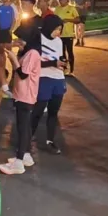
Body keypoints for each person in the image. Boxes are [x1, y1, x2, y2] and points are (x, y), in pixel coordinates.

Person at [0, 27, 42, 175]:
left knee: (23, 128)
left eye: (20, 39)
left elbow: (23, 74)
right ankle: (26, 155)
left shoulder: (32, 54)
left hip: (26, 95)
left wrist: (13, 59)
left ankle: (18, 162)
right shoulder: (28, 52)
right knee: (25, 127)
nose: (18, 42)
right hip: (21, 93)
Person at [30, 15, 67, 154]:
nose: (58, 32)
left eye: (60, 29)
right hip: (43, 77)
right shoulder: (37, 39)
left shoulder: (59, 41)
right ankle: (27, 139)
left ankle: (50, 141)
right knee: (38, 112)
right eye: (57, 29)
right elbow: (33, 62)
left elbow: (58, 58)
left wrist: (62, 62)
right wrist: (52, 63)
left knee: (53, 112)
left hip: (58, 78)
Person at [54, 0, 79, 75]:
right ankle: (64, 68)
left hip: (68, 34)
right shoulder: (57, 9)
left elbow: (77, 20)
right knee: (62, 52)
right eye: (59, 0)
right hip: (59, 35)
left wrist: (68, 20)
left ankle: (71, 70)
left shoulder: (71, 8)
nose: (60, 1)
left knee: (70, 51)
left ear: (66, 0)